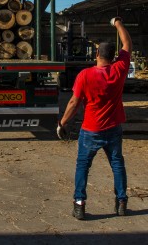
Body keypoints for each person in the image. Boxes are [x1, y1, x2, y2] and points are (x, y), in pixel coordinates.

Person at [57, 16, 133, 220]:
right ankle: (122, 202)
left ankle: (79, 204)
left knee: (83, 165)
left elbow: (73, 103)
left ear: (97, 54)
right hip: (113, 127)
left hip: (91, 129)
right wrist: (117, 22)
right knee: (117, 164)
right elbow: (127, 43)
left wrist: (62, 123)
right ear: (113, 56)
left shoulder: (85, 75)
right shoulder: (120, 69)